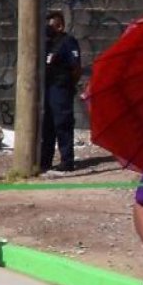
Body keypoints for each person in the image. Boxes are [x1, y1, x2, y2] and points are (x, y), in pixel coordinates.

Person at [42, 12, 82, 176]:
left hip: (61, 88)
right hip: (48, 88)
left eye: (50, 26)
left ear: (59, 26)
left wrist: (68, 84)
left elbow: (76, 69)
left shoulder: (68, 42)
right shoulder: (48, 43)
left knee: (62, 124)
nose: (47, 29)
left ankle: (67, 161)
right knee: (47, 125)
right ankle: (45, 160)